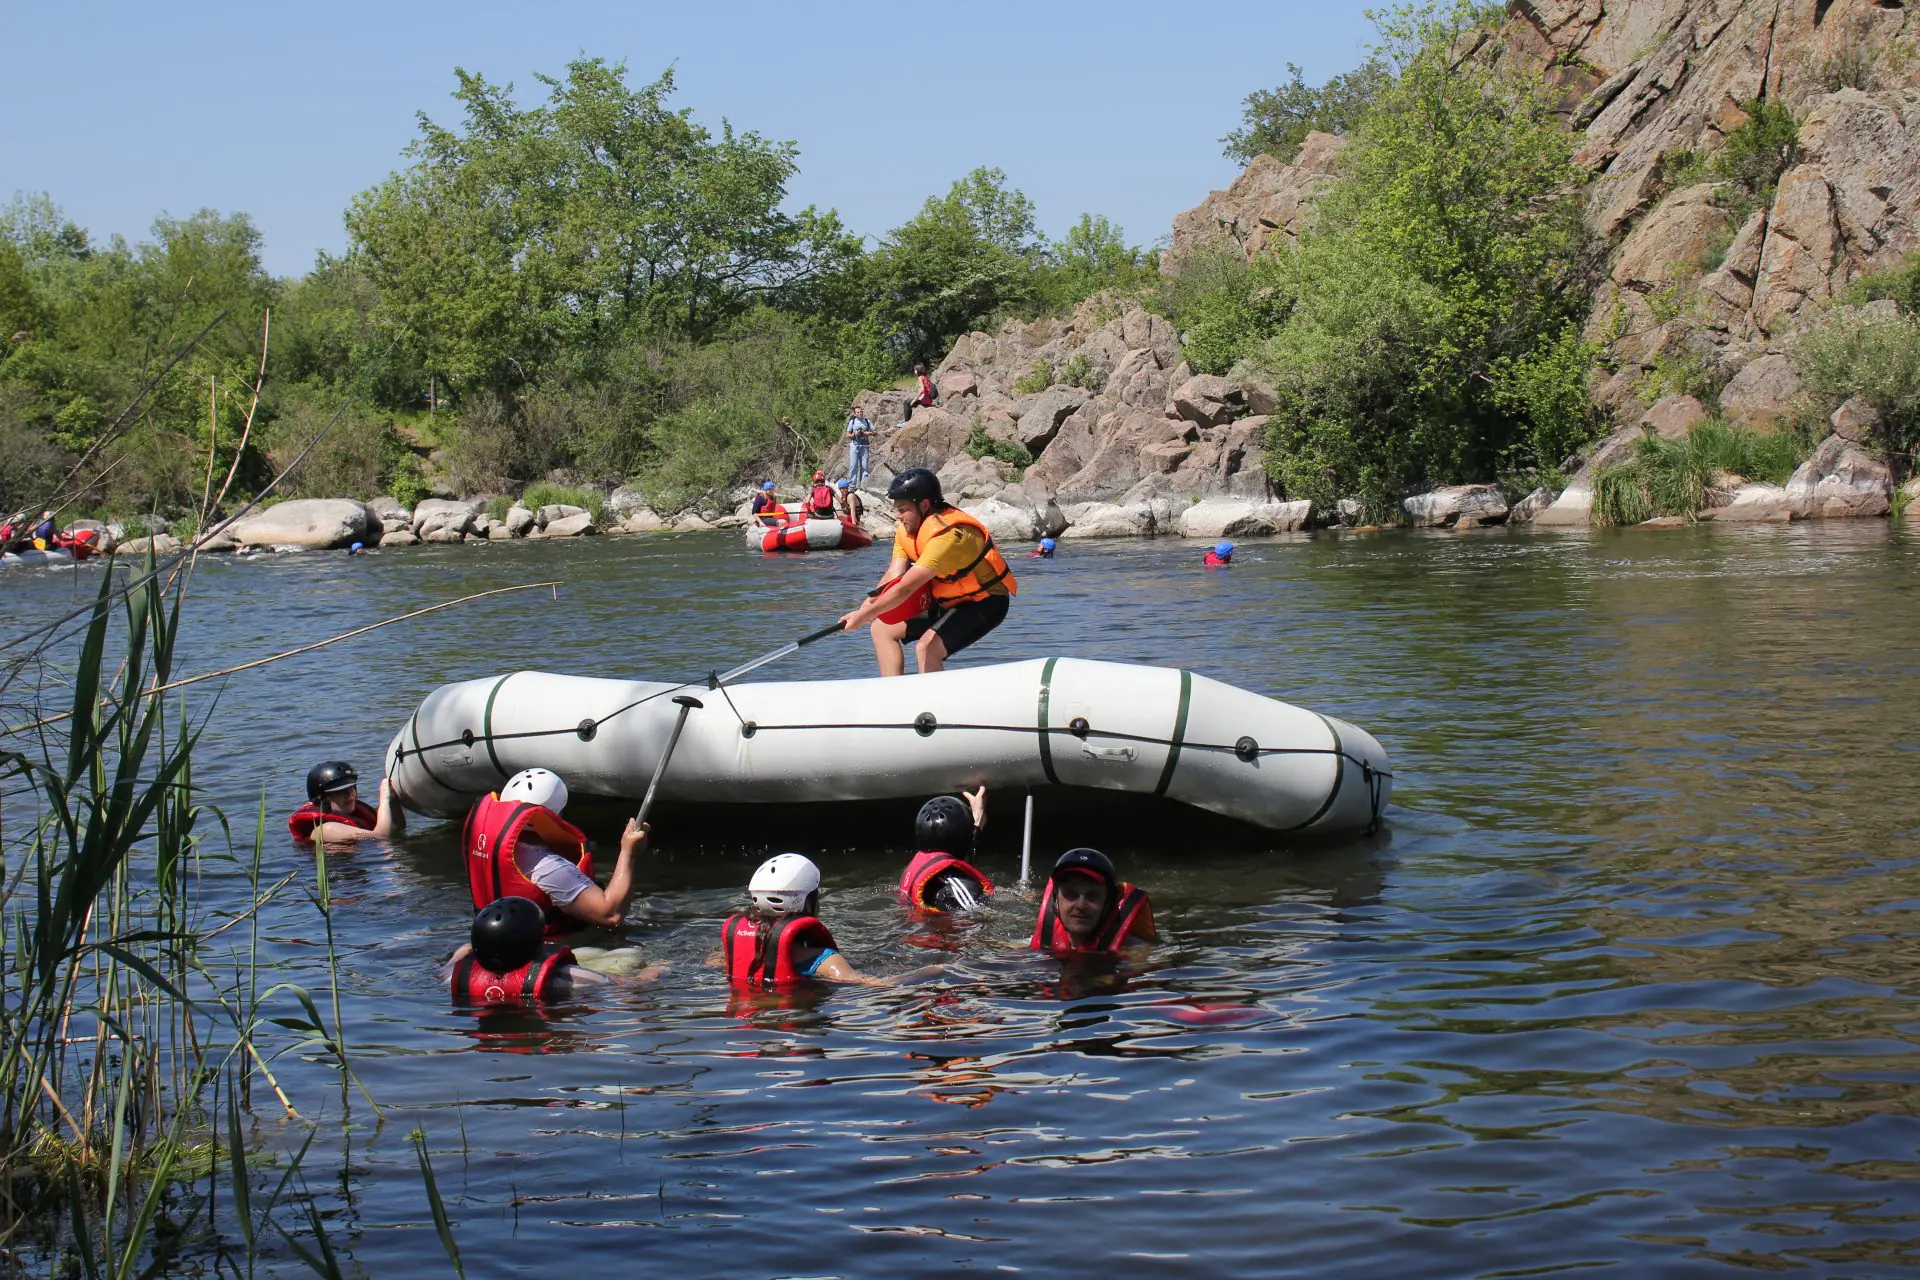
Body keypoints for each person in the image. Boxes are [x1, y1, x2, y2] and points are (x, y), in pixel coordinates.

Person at [836, 468, 1017, 677]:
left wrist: (863, 616)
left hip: (985, 602)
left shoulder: (948, 537)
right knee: (880, 628)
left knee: (926, 648)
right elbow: (894, 575)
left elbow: (907, 587)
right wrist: (866, 608)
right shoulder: (907, 529)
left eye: (903, 509)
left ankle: (931, 707)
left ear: (924, 505)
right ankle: (892, 695)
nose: (898, 515)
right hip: (944, 599)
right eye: (897, 509)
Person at [463, 768, 647, 933]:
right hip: (544, 952)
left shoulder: (483, 844)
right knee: (653, 966)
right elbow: (610, 914)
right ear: (555, 816)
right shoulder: (546, 866)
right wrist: (629, 853)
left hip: (496, 944)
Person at [719, 854, 884, 987]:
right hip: (794, 1022)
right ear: (808, 902)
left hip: (747, 1021)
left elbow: (712, 962)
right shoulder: (825, 960)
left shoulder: (734, 948)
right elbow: (869, 983)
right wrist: (909, 982)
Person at [450, 896, 606, 1004]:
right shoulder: (568, 978)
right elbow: (612, 984)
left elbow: (452, 963)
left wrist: (461, 952)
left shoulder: (453, 977)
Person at [1030, 848, 1158, 954]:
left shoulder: (1136, 952)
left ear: (1108, 903)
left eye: (1093, 896)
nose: (1081, 905)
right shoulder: (1043, 942)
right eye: (1071, 895)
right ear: (1056, 899)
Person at [898, 788, 993, 914]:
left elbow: (961, 860)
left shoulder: (922, 870)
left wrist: (977, 825)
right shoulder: (962, 888)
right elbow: (983, 916)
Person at [288, 761, 405, 844]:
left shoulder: (352, 817)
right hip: (344, 875)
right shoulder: (325, 830)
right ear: (323, 798)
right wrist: (385, 799)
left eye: (352, 788)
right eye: (341, 791)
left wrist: (393, 800)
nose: (351, 795)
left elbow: (397, 828)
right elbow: (382, 837)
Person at [844, 406, 873, 487]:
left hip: (865, 445)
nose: (860, 413)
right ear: (855, 414)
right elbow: (847, 435)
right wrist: (855, 434)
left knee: (864, 466)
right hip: (854, 446)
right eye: (858, 412)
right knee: (853, 466)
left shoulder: (867, 421)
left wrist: (867, 433)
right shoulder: (852, 422)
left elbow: (875, 432)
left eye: (861, 411)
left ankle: (863, 485)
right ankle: (852, 485)